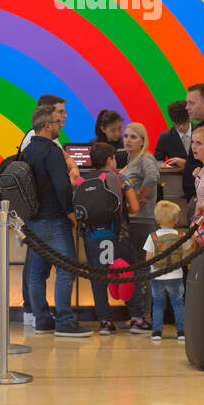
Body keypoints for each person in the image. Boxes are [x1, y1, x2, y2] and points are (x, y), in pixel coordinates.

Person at [23, 103, 93, 337]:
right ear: (46, 125)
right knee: (66, 268)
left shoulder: (28, 150)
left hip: (33, 220)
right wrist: (70, 211)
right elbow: (61, 185)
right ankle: (64, 321)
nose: (60, 125)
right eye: (56, 122)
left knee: (37, 273)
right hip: (54, 218)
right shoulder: (51, 151)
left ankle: (42, 319)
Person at [82, 142, 140, 334]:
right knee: (126, 274)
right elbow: (135, 207)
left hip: (93, 238)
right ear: (110, 160)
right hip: (119, 235)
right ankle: (137, 319)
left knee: (98, 279)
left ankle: (105, 322)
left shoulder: (85, 180)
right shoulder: (120, 178)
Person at [119, 122, 159, 333]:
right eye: (126, 136)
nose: (128, 140)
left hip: (143, 221)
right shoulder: (131, 160)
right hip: (132, 222)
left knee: (143, 268)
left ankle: (146, 316)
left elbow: (153, 177)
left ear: (143, 140)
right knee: (135, 267)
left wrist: (140, 196)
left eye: (133, 137)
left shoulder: (145, 158)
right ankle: (138, 315)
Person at [144, 200, 186, 342]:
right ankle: (181, 332)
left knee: (158, 304)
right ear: (176, 220)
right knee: (178, 304)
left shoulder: (153, 237)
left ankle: (157, 331)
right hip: (176, 275)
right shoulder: (180, 236)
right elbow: (186, 252)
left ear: (156, 220)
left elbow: (148, 258)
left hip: (157, 277)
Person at [153, 101, 192, 167]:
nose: (181, 127)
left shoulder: (202, 131)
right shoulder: (165, 137)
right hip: (176, 176)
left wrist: (185, 163)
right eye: (177, 125)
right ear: (171, 121)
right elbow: (157, 161)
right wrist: (164, 165)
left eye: (184, 124)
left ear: (190, 117)